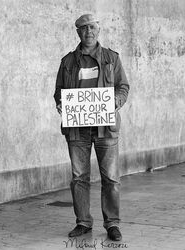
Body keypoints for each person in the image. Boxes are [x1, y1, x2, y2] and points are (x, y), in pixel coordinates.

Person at [54, 14, 129, 241]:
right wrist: (60, 102)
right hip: (78, 130)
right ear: (78, 32)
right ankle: (83, 222)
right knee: (79, 177)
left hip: (105, 128)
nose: (88, 32)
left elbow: (123, 86)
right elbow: (59, 90)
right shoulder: (67, 62)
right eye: (84, 28)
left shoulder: (111, 58)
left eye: (92, 28)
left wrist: (115, 101)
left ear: (98, 30)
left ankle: (112, 224)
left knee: (111, 178)